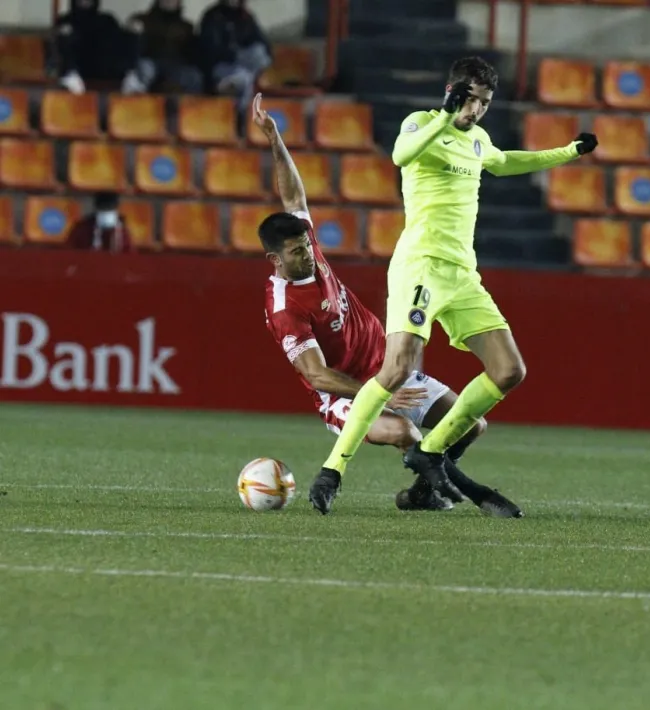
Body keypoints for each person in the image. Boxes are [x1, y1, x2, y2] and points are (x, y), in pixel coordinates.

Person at [306, 56, 598, 515]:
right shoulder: (421, 123)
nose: (476, 110)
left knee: (509, 371)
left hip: (462, 274)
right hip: (420, 266)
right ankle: (332, 469)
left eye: (484, 102)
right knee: (396, 368)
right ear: (451, 91)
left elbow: (504, 162)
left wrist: (568, 152)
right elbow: (401, 155)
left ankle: (431, 450)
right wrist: (444, 113)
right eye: (470, 99)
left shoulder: (479, 140)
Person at [252, 93, 522, 517]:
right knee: (403, 431)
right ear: (275, 259)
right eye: (296, 252)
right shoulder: (285, 307)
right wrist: (377, 396)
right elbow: (318, 375)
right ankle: (460, 488)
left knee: (471, 426)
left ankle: (419, 495)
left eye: (306, 245)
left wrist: (274, 140)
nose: (306, 253)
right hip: (347, 392)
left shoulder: (307, 245)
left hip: (391, 369)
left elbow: (294, 198)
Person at [54, 0, 142, 95]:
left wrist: (132, 32)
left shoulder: (107, 20)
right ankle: (71, 77)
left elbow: (120, 42)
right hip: (80, 68)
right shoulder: (66, 20)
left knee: (132, 34)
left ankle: (130, 77)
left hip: (106, 67)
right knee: (65, 35)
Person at [199, 0, 271, 106]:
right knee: (244, 79)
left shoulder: (246, 16)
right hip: (220, 68)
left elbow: (263, 45)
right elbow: (210, 51)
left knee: (258, 53)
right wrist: (236, 56)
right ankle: (242, 117)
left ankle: (249, 112)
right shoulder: (213, 16)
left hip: (245, 66)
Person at [127, 0, 204, 94]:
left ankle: (191, 108)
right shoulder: (143, 21)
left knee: (194, 75)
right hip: (152, 64)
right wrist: (135, 33)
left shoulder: (186, 27)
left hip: (176, 68)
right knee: (145, 68)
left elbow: (192, 56)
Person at [66, 192, 134, 252]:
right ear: (97, 209)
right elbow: (68, 253)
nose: (106, 212)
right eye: (103, 208)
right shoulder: (82, 228)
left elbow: (130, 258)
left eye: (110, 209)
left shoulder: (122, 230)